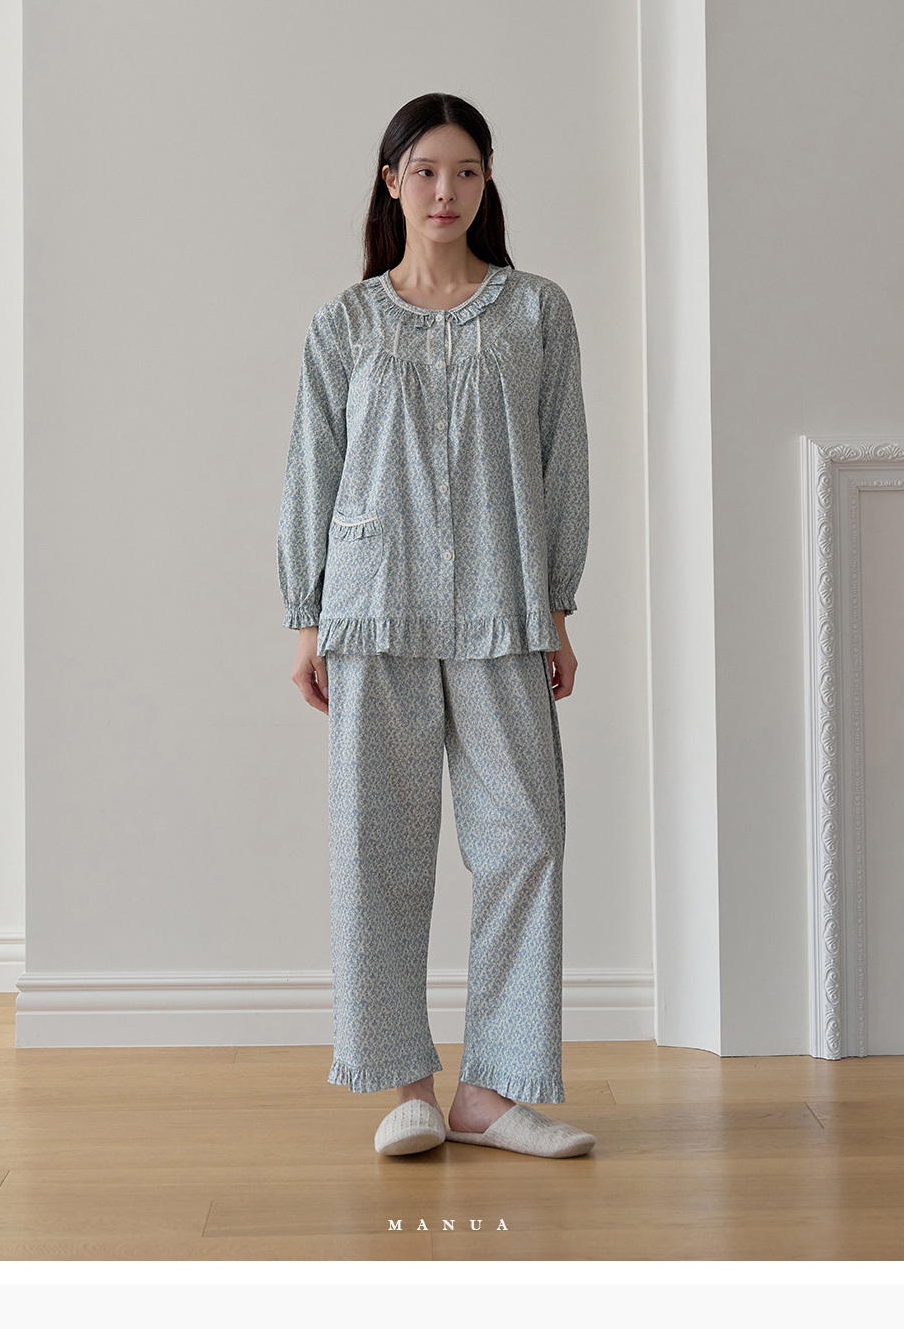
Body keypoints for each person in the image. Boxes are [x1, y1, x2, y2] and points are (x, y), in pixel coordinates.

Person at [279, 92, 594, 1159]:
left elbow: (561, 460)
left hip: (505, 606)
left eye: (464, 170)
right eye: (424, 170)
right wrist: (308, 618)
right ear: (392, 182)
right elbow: (312, 469)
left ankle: (491, 1092)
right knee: (380, 850)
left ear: (487, 178)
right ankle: (407, 1087)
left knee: (525, 838)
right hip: (373, 609)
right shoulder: (345, 324)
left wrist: (556, 604)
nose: (445, 191)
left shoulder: (536, 311)